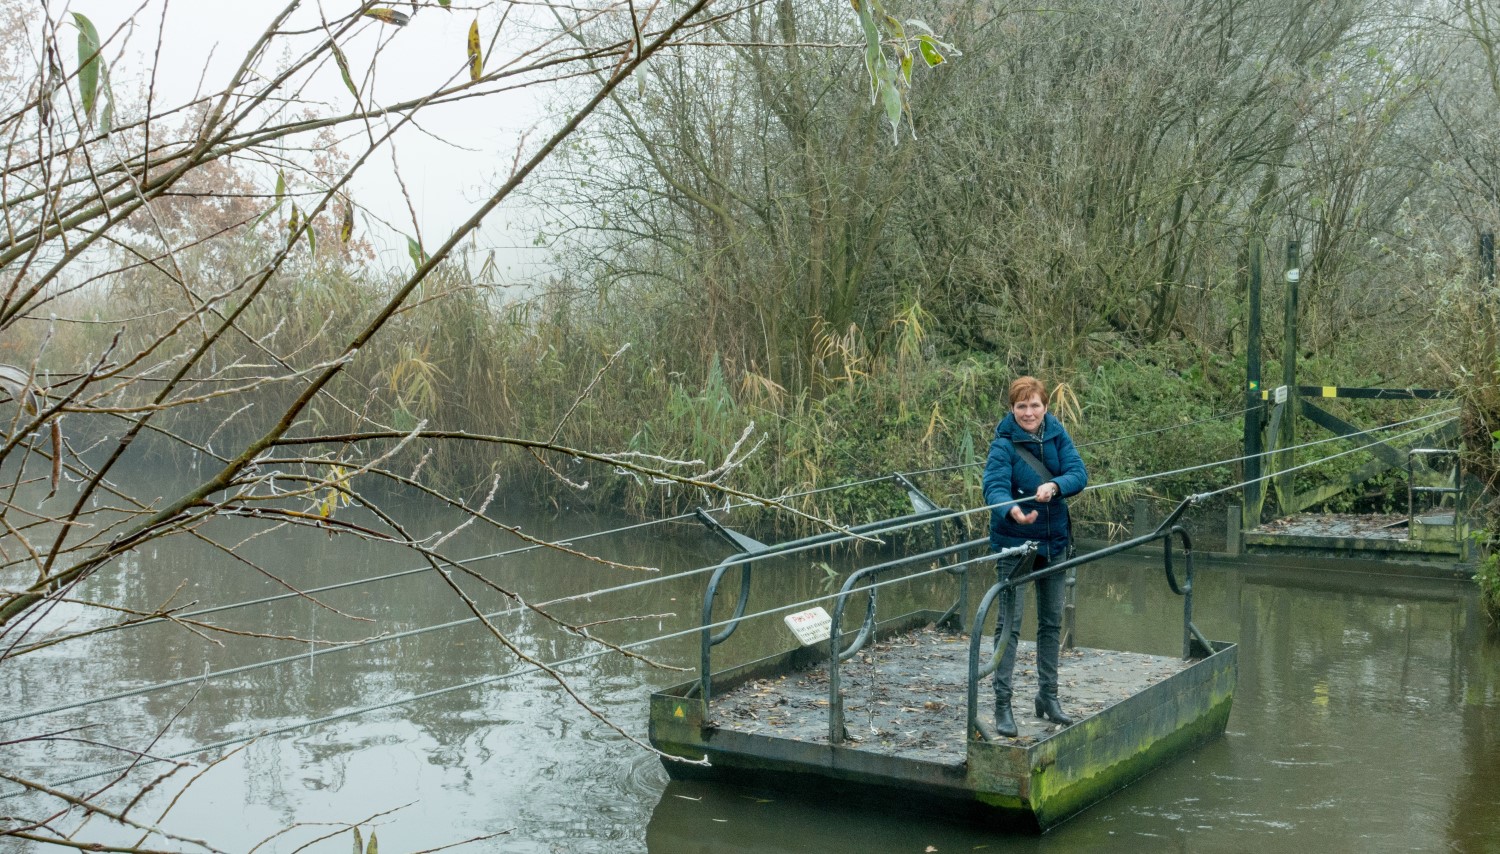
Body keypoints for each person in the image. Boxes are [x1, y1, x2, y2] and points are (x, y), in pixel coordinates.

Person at [982, 376, 1088, 738]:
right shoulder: (1003, 444)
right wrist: (1010, 509)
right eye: (1021, 406)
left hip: (1055, 542)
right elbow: (993, 487)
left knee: (1051, 622)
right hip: (1015, 546)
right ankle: (1003, 704)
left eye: (1035, 405)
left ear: (1045, 406)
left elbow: (1078, 473)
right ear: (1012, 409)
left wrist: (1056, 485)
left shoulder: (1057, 434)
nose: (1029, 412)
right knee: (1009, 626)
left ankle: (1048, 697)